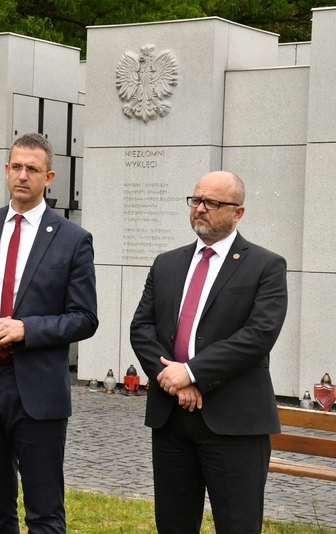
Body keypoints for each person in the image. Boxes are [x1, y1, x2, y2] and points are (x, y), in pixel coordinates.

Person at [0, 133, 98, 534]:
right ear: (6, 170)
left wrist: (25, 329)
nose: (22, 175)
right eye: (16, 166)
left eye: (32, 169)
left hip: (38, 388)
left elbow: (84, 317)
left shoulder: (72, 239)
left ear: (49, 177)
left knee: (44, 513)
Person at [129, 171, 288, 534]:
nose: (200, 208)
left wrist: (192, 372)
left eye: (212, 203)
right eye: (196, 200)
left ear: (238, 212)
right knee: (173, 524)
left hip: (234, 422)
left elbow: (258, 336)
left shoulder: (265, 266)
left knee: (237, 526)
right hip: (171, 419)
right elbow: (142, 328)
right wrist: (171, 378)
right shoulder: (167, 263)